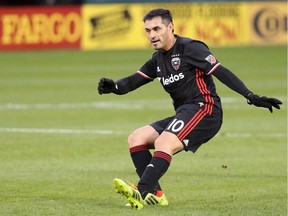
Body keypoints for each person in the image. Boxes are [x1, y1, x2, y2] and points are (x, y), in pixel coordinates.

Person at [97, 8, 282, 209]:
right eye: (148, 30)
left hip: (206, 109)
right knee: (136, 138)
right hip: (186, 112)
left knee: (164, 141)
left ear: (171, 27)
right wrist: (114, 87)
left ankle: (142, 190)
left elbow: (220, 71)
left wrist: (250, 96)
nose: (152, 35)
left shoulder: (190, 48)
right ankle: (155, 194)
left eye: (157, 28)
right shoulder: (157, 59)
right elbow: (133, 81)